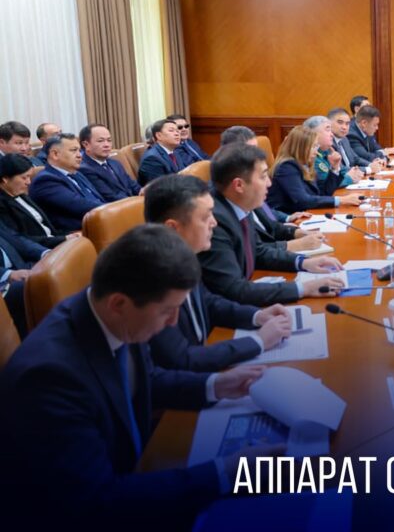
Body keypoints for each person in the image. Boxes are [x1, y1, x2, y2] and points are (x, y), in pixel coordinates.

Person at [0, 225, 269, 528]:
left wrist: (215, 385)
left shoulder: (112, 315)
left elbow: (144, 380)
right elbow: (99, 501)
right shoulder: (49, 377)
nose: (173, 322)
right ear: (119, 304)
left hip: (135, 473)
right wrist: (227, 474)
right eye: (167, 310)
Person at [144, 175, 293, 372]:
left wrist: (257, 316)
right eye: (205, 217)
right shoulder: (149, 282)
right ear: (172, 228)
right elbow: (180, 360)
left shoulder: (184, 254)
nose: (214, 223)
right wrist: (258, 341)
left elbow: (209, 303)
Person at [199, 143, 345, 306]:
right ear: (239, 185)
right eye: (263, 177)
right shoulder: (214, 223)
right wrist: (303, 288)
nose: (269, 183)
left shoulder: (239, 203)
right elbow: (234, 290)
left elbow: (258, 252)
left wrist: (303, 262)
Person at [267, 125, 362, 214]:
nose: (316, 152)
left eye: (316, 146)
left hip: (307, 213)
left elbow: (322, 193)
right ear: (301, 148)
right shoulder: (287, 167)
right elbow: (302, 200)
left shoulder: (305, 164)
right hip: (288, 218)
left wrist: (334, 168)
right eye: (313, 147)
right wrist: (341, 200)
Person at [28, 133, 106, 231]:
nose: (79, 155)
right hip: (78, 233)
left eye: (79, 150)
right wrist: (112, 210)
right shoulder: (45, 181)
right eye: (73, 150)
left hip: (100, 222)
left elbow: (98, 199)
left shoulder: (77, 174)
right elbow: (82, 206)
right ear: (55, 154)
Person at [0, 154, 71, 248]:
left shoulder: (22, 194)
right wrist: (62, 239)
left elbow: (46, 225)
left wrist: (67, 236)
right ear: (5, 179)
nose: (28, 182)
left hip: (56, 241)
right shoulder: (2, 204)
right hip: (42, 249)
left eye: (29, 177)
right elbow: (20, 239)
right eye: (24, 178)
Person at [0, 223, 47, 337]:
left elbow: (16, 239)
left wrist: (45, 253)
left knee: (57, 267)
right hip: (4, 281)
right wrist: (8, 274)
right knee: (25, 288)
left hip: (21, 266)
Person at [78, 124, 141, 202]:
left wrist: (143, 192)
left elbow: (133, 185)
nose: (107, 145)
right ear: (86, 144)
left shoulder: (115, 163)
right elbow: (110, 197)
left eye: (109, 140)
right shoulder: (84, 168)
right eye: (100, 141)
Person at [327, 107, 384, 174]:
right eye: (340, 122)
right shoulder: (327, 143)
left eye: (347, 124)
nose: (344, 127)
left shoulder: (344, 139)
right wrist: (368, 169)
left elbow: (355, 158)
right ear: (328, 123)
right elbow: (340, 169)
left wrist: (370, 164)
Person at [138, 119, 183, 186]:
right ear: (159, 136)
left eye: (177, 131)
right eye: (171, 130)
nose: (177, 134)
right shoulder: (152, 158)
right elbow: (160, 187)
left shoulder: (175, 152)